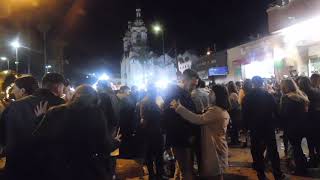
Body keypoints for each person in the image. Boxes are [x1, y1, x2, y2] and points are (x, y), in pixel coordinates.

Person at [33, 85, 120, 180]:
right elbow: (103, 146)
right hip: (85, 169)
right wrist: (115, 141)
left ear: (74, 96)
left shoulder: (55, 111)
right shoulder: (96, 114)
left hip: (58, 168)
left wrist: (40, 118)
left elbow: (39, 137)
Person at [0, 73, 65, 180]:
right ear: (58, 87)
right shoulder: (63, 106)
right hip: (49, 168)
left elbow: (3, 135)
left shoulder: (15, 106)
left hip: (17, 167)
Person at [170, 85, 230, 180]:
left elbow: (197, 119)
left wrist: (179, 107)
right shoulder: (219, 109)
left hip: (214, 147)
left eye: (211, 92)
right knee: (217, 173)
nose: (209, 94)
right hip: (217, 145)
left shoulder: (216, 111)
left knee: (215, 174)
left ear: (217, 95)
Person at [242, 76, 287, 180]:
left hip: (255, 128)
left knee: (256, 151)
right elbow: (276, 111)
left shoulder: (247, 97)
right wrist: (279, 124)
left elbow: (244, 115)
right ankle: (277, 174)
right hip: (268, 126)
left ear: (253, 83)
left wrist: (245, 128)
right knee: (273, 151)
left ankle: (261, 174)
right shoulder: (268, 95)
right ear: (262, 83)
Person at [163, 69, 198, 180]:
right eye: (192, 84)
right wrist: (189, 135)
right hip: (181, 139)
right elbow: (171, 119)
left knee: (182, 168)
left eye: (195, 85)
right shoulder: (175, 94)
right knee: (186, 171)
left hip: (184, 138)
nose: (194, 87)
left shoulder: (183, 94)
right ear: (184, 80)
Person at [280, 79, 309, 175]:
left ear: (285, 87)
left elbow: (283, 114)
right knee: (298, 147)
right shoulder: (301, 95)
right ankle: (303, 164)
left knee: (296, 148)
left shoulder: (286, 98)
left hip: (292, 127)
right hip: (303, 126)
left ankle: (300, 169)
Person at [96, 80, 120, 179]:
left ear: (101, 86)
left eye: (98, 85)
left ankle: (108, 175)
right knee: (113, 153)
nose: (96, 87)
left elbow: (103, 114)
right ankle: (112, 174)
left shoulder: (103, 96)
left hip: (107, 129)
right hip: (114, 127)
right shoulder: (114, 96)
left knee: (106, 154)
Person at [140, 84, 165, 179]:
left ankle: (153, 175)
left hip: (150, 132)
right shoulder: (149, 102)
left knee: (151, 155)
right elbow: (144, 119)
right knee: (157, 155)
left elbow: (143, 119)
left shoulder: (145, 101)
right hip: (155, 132)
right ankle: (158, 175)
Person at [298, 76, 320, 167]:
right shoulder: (317, 91)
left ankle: (312, 159)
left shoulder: (302, 94)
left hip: (308, 121)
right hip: (317, 119)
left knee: (310, 142)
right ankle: (318, 157)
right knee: (318, 141)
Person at [227, 81, 241, 145]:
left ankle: (234, 141)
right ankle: (235, 140)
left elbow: (233, 104)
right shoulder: (234, 94)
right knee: (235, 127)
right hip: (235, 112)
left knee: (234, 127)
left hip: (232, 112)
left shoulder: (230, 94)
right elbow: (237, 103)